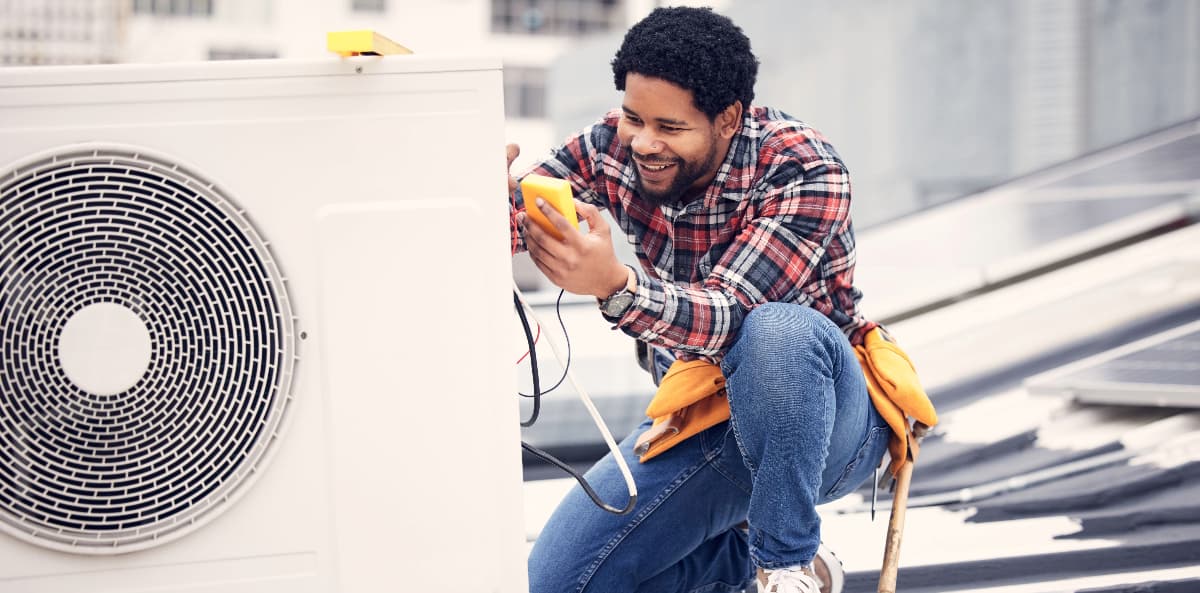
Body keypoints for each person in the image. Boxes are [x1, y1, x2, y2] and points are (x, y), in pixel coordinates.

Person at [507, 7, 891, 593]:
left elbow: (729, 316)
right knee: (562, 584)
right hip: (698, 418)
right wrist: (477, 200)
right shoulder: (615, 144)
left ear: (729, 118)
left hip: (817, 420)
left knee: (777, 331)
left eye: (670, 127)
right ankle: (746, 569)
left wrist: (615, 286)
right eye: (633, 116)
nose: (643, 142)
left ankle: (785, 566)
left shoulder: (804, 169)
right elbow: (515, 219)